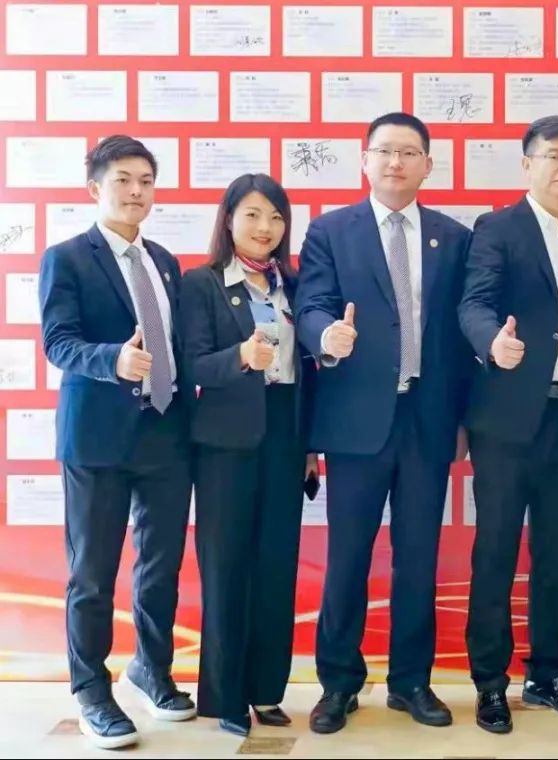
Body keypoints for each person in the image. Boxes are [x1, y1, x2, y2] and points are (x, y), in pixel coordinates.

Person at [295, 112, 473, 733]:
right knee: (348, 557)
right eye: (385, 151)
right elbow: (311, 304)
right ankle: (338, 684)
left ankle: (411, 682)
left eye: (409, 153)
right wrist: (327, 335)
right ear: (365, 160)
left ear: (428, 164)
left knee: (418, 559)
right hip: (356, 422)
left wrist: (464, 419)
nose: (396, 162)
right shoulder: (330, 231)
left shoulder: (454, 237)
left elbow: (462, 332)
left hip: (427, 418)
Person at [458, 115, 558, 734]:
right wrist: (491, 344)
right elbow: (474, 303)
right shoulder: (498, 228)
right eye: (553, 155)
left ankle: (547, 673)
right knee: (496, 552)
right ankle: (490, 683)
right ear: (528, 164)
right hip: (507, 417)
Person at [38, 135, 195, 749]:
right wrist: (113, 360)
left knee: (160, 567)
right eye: (123, 180)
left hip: (165, 432)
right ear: (94, 189)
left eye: (146, 181)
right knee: (93, 573)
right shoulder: (67, 258)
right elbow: (59, 342)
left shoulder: (164, 261)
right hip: (98, 438)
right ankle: (91, 692)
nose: (136, 192)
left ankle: (152, 668)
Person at [179, 173, 319, 736]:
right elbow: (191, 363)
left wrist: (309, 447)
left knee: (276, 568)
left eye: (276, 217)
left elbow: (308, 371)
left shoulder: (295, 285)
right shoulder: (204, 283)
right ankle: (226, 696)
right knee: (226, 569)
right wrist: (238, 356)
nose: (265, 227)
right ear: (229, 219)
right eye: (254, 215)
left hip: (285, 436)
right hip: (226, 443)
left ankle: (266, 689)